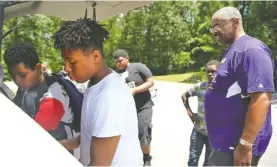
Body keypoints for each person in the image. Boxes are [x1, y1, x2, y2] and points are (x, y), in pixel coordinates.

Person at [52, 18, 143, 166]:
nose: (66, 68)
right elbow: (93, 133)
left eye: (72, 62)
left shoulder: (109, 96)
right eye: (65, 61)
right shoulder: (96, 84)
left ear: (95, 56)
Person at [206, 6, 275, 166]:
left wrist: (245, 144)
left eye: (218, 25)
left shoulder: (251, 49)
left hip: (237, 145)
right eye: (212, 28)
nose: (214, 31)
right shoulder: (232, 50)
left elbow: (262, 99)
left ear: (235, 22)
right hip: (225, 143)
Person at [3, 43, 78, 148]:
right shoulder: (28, 86)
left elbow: (35, 141)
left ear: (38, 68)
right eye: (13, 76)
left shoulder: (53, 99)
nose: (17, 81)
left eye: (22, 75)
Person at [113, 49, 155, 166]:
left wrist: (135, 90)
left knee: (143, 132)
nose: (118, 63)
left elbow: (151, 82)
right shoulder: (115, 74)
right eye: (116, 62)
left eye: (120, 60)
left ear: (127, 58)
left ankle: (146, 158)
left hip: (143, 107)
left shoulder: (138, 67)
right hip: (126, 110)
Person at [181, 60, 220, 166]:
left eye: (213, 71)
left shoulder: (223, 90)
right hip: (198, 131)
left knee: (209, 162)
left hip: (213, 135)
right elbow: (184, 96)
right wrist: (190, 113)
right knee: (192, 160)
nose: (210, 74)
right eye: (208, 71)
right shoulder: (200, 86)